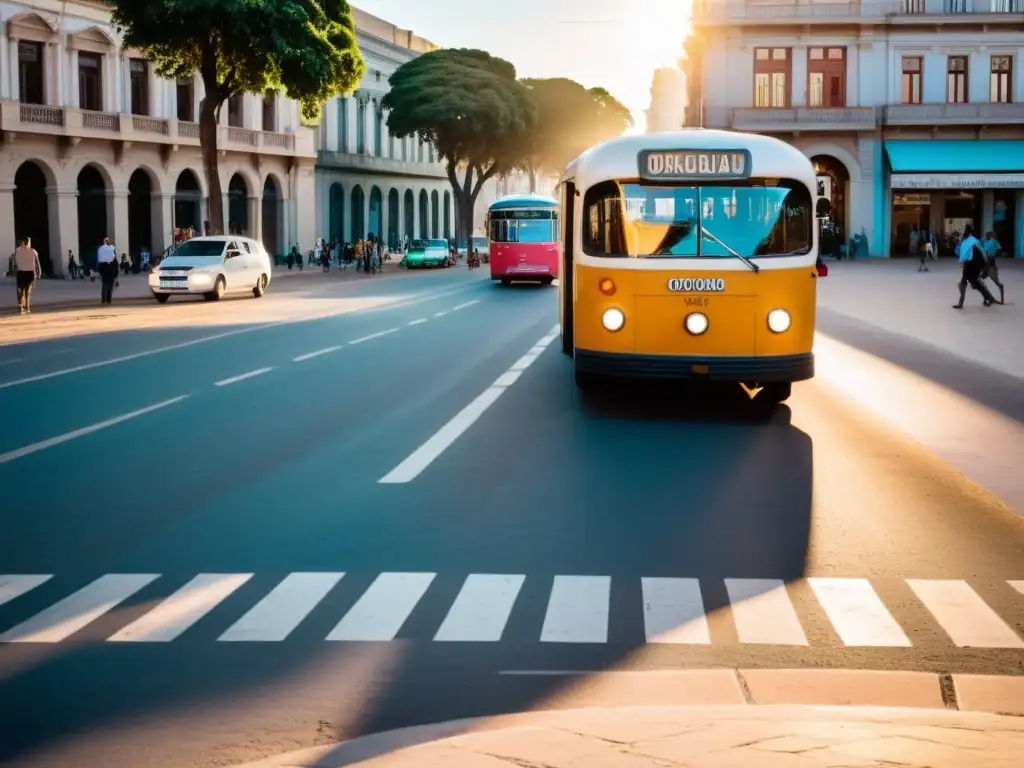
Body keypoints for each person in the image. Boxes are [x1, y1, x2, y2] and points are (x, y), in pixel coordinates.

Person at [953, 226, 998, 309]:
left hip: (974, 264)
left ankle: (961, 303)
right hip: (970, 264)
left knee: (969, 282)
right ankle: (988, 298)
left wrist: (985, 265)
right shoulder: (966, 241)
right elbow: (960, 252)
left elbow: (982, 252)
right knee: (973, 282)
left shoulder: (972, 240)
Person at [13, 237, 42, 315]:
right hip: (30, 273)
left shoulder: (17, 250)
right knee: (27, 291)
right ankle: (27, 308)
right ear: (28, 242)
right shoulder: (33, 251)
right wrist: (39, 272)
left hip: (21, 272)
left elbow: (14, 263)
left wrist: (14, 270)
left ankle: (20, 307)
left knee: (20, 291)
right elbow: (37, 263)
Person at [981, 231, 1006, 305]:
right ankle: (988, 298)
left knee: (996, 282)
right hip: (987, 263)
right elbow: (999, 249)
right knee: (981, 282)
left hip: (989, 263)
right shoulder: (987, 241)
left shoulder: (992, 241)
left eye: (986, 235)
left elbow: (999, 249)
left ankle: (991, 299)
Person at [96, 237, 118, 304]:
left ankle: (104, 299)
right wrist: (116, 274)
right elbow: (115, 264)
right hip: (110, 273)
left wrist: (100, 272)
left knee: (105, 286)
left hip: (106, 273)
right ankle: (108, 299)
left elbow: (100, 264)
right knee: (109, 287)